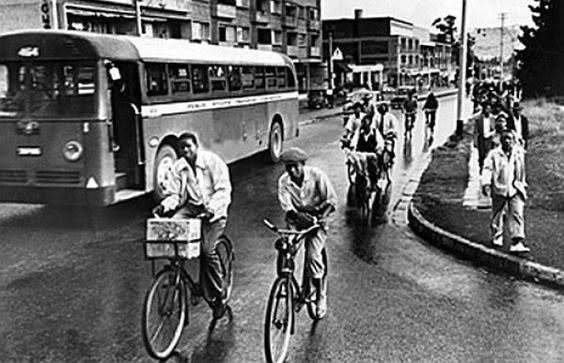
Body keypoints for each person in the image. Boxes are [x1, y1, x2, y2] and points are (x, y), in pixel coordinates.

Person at [155, 132, 232, 319]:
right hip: (193, 207)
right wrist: (164, 206)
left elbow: (223, 190)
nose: (185, 151)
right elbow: (174, 194)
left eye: (189, 146)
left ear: (196, 146)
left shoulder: (212, 162)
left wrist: (212, 209)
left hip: (214, 211)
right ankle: (175, 273)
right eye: (182, 148)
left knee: (207, 251)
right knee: (171, 230)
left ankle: (218, 294)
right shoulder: (178, 167)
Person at [278, 147, 337, 319]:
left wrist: (321, 218)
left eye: (296, 166)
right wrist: (297, 216)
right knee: (286, 248)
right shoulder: (284, 181)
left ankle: (320, 295)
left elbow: (331, 201)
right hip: (296, 218)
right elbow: (287, 206)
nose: (292, 171)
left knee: (313, 257)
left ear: (303, 164)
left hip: (318, 218)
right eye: (288, 167)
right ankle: (287, 282)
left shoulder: (317, 176)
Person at [481, 130, 530, 253]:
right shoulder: (494, 154)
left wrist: (522, 184)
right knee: (497, 214)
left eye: (510, 139)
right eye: (505, 139)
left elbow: (521, 170)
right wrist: (486, 184)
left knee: (517, 213)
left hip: (515, 188)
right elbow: (487, 168)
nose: (507, 141)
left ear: (513, 140)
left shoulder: (518, 153)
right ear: (501, 141)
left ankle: (516, 241)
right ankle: (497, 236)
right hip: (499, 188)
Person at [472, 103, 496, 173]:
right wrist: (475, 141)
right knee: (481, 154)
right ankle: (481, 167)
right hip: (481, 138)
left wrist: (491, 134)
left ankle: (487, 169)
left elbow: (494, 129)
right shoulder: (479, 118)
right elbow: (476, 131)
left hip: (489, 138)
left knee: (487, 154)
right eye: (486, 109)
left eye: (489, 109)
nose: (488, 110)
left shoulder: (492, 118)